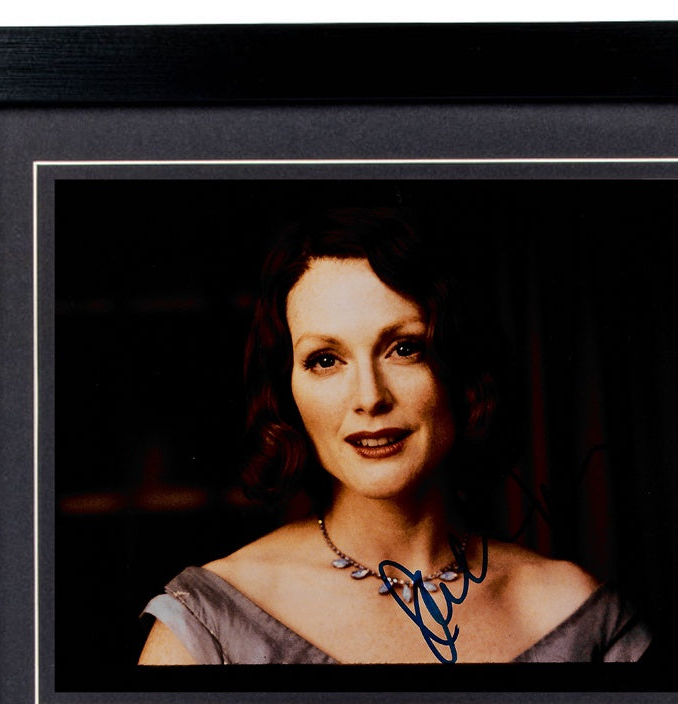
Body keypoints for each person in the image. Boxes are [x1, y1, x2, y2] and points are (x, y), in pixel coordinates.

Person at [140, 207, 650, 664]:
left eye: (404, 349)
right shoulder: (208, 627)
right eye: (325, 360)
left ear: (460, 369)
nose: (369, 397)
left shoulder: (581, 617)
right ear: (287, 390)